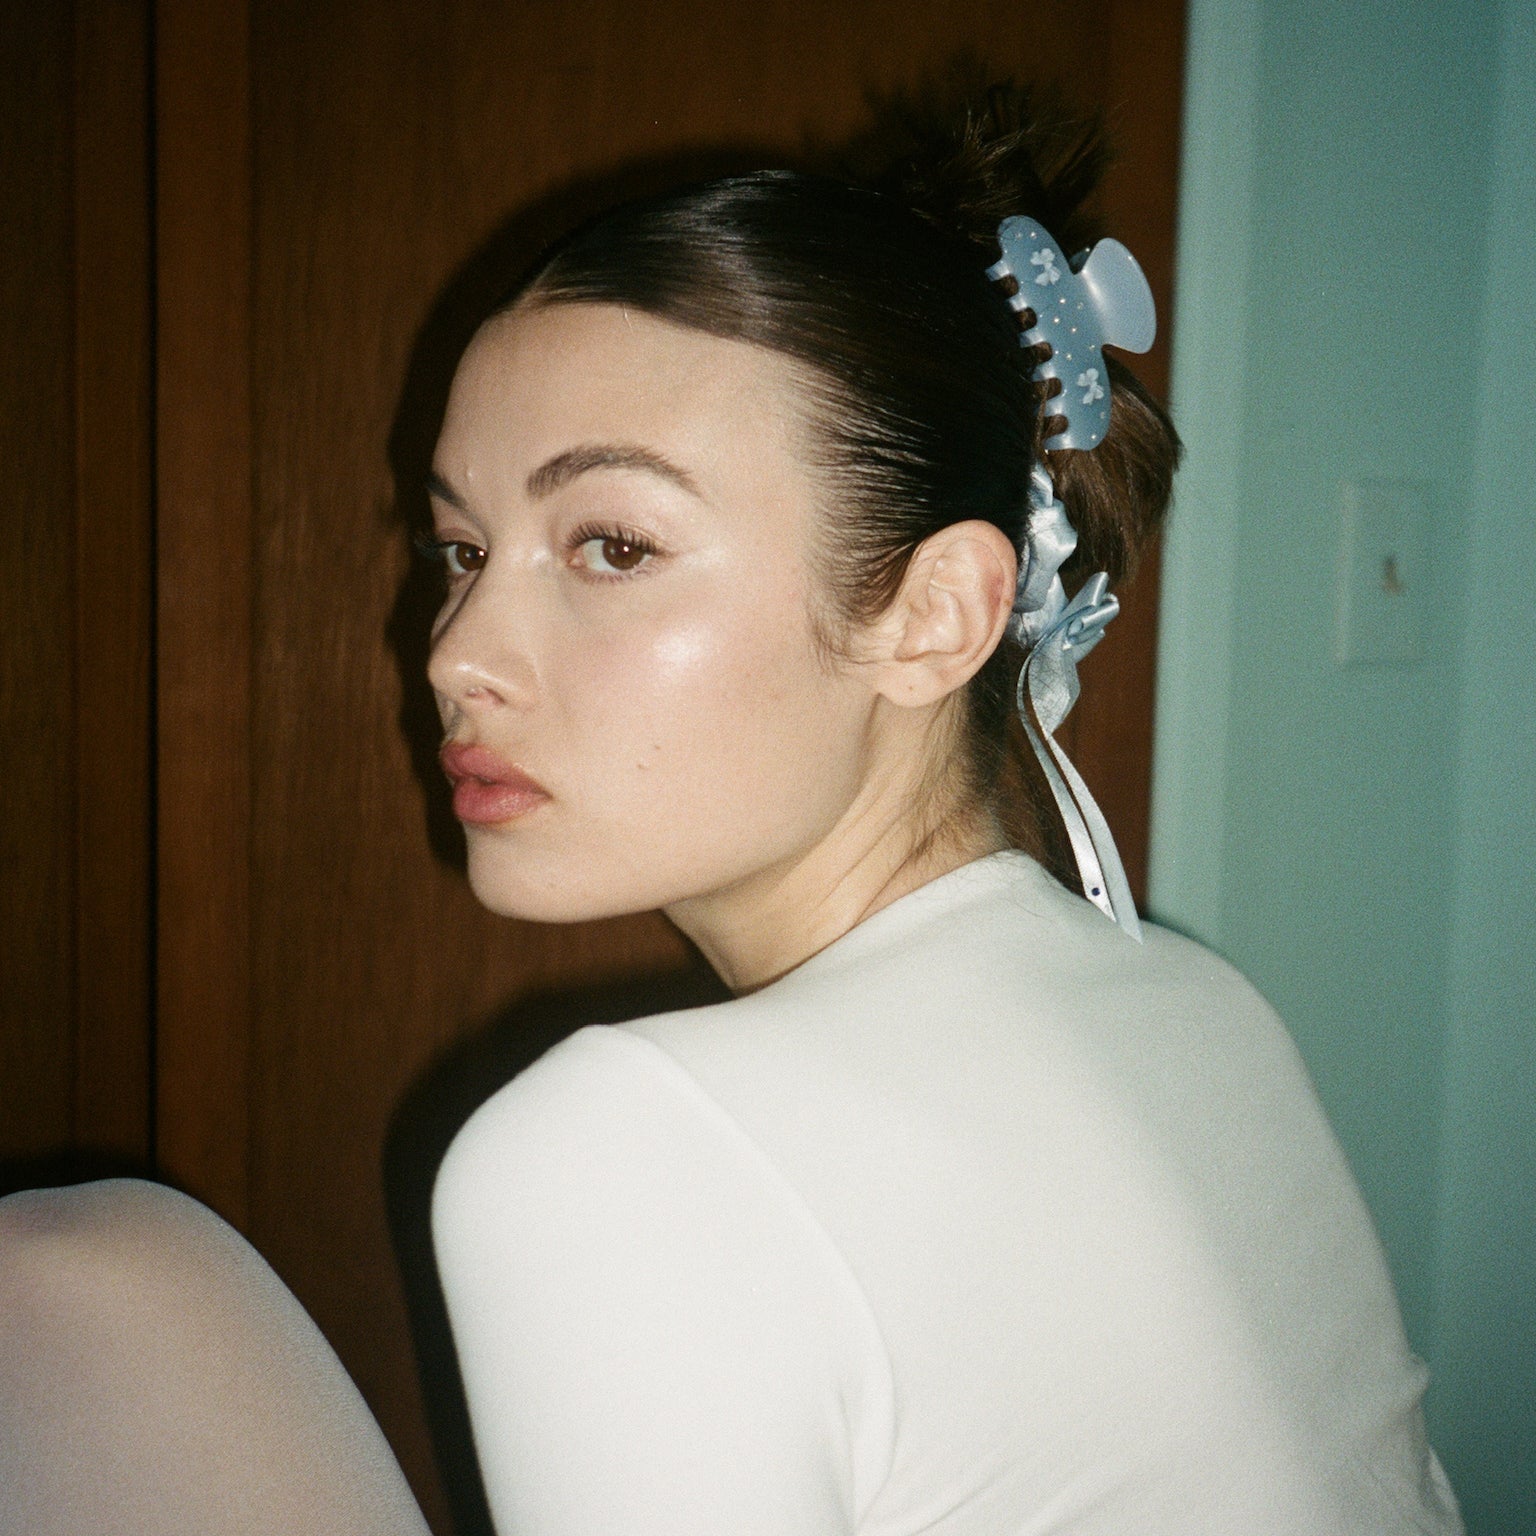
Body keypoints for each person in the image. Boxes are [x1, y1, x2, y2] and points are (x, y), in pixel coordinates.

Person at [0, 88, 1460, 1535]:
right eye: (462, 546)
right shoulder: (1203, 1005)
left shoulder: (620, 1150)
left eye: (614, 545)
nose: (454, 655)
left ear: (935, 614)